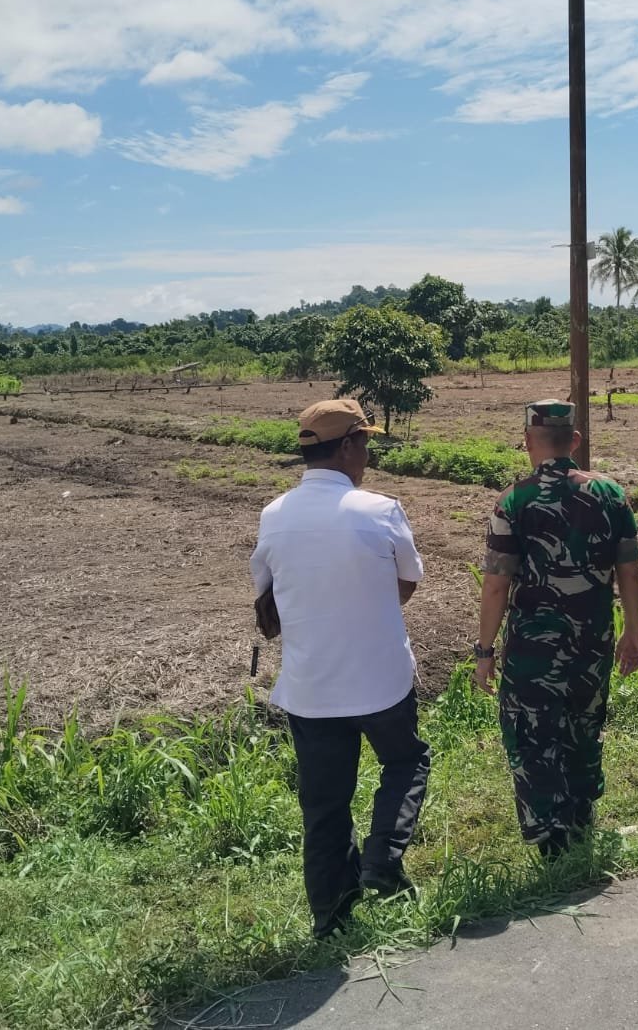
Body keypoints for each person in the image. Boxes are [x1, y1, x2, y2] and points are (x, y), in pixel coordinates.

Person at [250, 397, 430, 939]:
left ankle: (331, 917)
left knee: (324, 805)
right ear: (349, 445)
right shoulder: (380, 509)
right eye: (366, 443)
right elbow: (406, 584)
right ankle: (382, 857)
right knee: (406, 763)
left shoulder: (274, 515)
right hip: (381, 679)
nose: (368, 454)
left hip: (311, 687)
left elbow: (266, 599)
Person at [475, 399, 638, 857]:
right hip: (593, 639)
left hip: (534, 646)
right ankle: (581, 819)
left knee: (533, 731)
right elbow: (629, 572)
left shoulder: (514, 500)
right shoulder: (610, 494)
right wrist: (634, 632)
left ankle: (550, 837)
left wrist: (484, 651)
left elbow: (496, 585)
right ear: (574, 440)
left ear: (528, 441)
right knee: (584, 725)